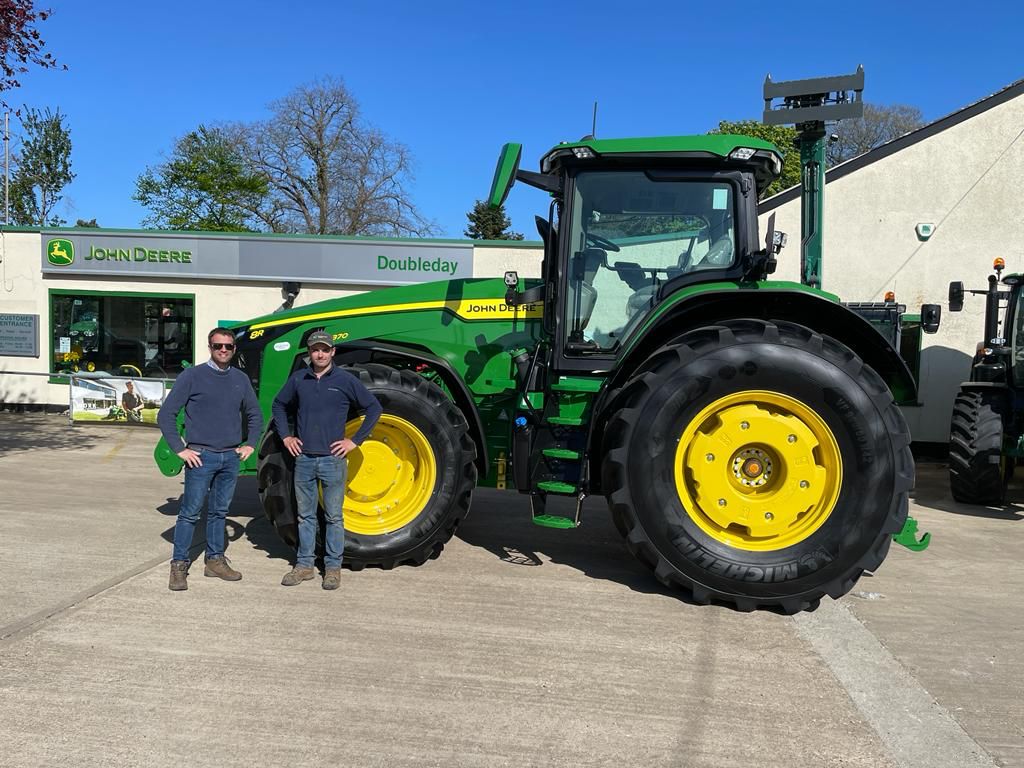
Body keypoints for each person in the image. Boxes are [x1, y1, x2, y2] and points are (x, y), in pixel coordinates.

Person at [271, 330, 382, 591]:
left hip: (333, 460)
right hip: (304, 459)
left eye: (324, 349)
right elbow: (278, 405)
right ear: (309, 353)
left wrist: (354, 441)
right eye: (315, 350)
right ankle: (304, 565)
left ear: (333, 352)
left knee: (333, 517)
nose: (319, 354)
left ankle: (333, 568)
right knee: (305, 516)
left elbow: (374, 408)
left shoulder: (345, 380)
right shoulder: (299, 379)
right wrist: (286, 437)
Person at [157, 327, 263, 591]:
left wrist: (250, 444)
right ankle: (179, 564)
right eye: (218, 346)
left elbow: (255, 414)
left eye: (228, 346)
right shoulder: (192, 376)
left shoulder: (240, 379)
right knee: (190, 513)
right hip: (200, 457)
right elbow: (166, 414)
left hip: (230, 457)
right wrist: (180, 449)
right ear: (210, 348)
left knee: (219, 512)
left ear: (234, 349)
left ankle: (215, 561)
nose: (223, 350)